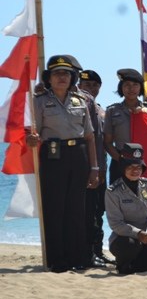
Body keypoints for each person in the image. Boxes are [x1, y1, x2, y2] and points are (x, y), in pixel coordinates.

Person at [26, 55, 100, 273]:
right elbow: (35, 134)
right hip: (53, 156)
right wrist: (31, 140)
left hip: (78, 155)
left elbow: (89, 137)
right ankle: (57, 259)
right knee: (55, 208)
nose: (62, 77)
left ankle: (76, 257)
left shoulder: (81, 101)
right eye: (57, 73)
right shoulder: (38, 101)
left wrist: (94, 168)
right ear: (49, 78)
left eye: (66, 73)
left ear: (72, 78)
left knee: (76, 209)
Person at [105, 143, 147, 275]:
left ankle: (138, 262)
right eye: (130, 167)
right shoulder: (112, 191)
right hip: (125, 239)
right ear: (123, 167)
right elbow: (115, 223)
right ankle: (123, 264)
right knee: (130, 246)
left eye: (138, 167)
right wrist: (138, 234)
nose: (135, 170)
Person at [77, 69, 117, 267]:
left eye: (95, 86)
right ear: (79, 86)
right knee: (83, 214)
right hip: (82, 170)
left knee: (98, 212)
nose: (91, 89)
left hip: (101, 170)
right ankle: (85, 253)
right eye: (87, 85)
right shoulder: (75, 107)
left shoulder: (102, 111)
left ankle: (97, 251)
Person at [104, 68, 147, 185]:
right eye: (127, 85)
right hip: (120, 161)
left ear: (140, 88)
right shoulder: (112, 111)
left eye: (135, 85)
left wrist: (144, 116)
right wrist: (121, 160)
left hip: (144, 162)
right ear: (121, 88)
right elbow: (107, 143)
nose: (131, 89)